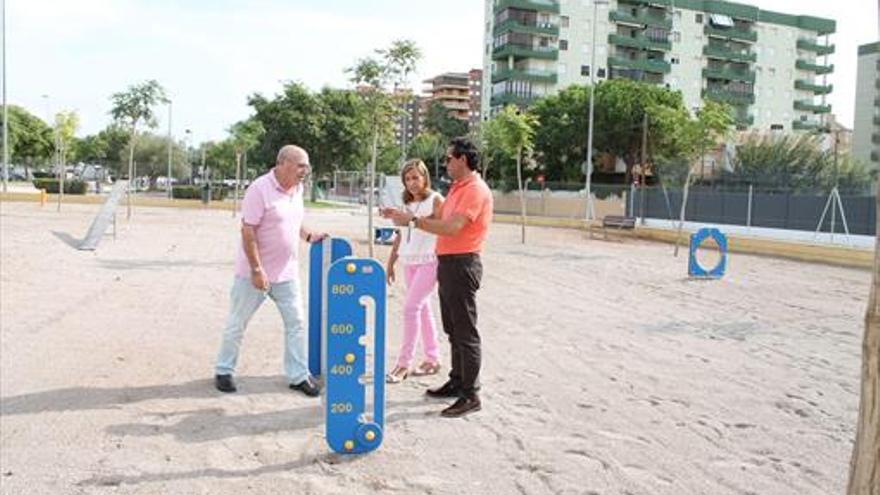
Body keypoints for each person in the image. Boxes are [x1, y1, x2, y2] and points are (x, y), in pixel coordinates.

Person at [381, 137, 492, 418]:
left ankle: (471, 394)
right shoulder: (458, 188)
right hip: (447, 262)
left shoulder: (475, 190)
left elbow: (453, 227)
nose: (445, 163)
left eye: (448, 158)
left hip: (463, 263)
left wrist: (414, 221)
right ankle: (457, 381)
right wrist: (406, 218)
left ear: (462, 160)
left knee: (465, 331)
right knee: (453, 329)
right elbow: (434, 221)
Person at [214, 145, 326, 397]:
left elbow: (293, 221)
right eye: (300, 165)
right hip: (254, 274)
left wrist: (308, 235)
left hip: (287, 274)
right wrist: (256, 269)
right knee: (237, 323)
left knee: (296, 323)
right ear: (282, 163)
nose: (305, 170)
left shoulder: (297, 189)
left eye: (306, 166)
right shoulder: (259, 189)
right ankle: (223, 370)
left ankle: (298, 376)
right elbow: (248, 230)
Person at [384, 159, 444, 384]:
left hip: (430, 261)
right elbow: (400, 234)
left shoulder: (435, 199)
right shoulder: (406, 203)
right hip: (409, 261)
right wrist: (390, 263)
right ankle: (432, 357)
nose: (412, 183)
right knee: (423, 309)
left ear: (425, 177)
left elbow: (441, 222)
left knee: (411, 308)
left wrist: (412, 220)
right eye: (408, 179)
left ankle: (403, 364)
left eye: (416, 177)